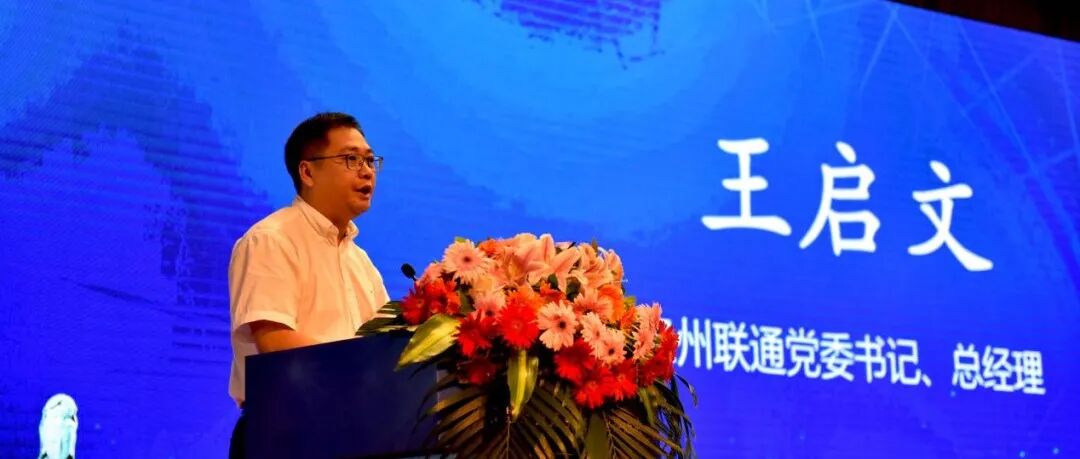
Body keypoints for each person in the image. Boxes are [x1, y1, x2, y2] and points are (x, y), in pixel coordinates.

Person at [226, 112, 390, 457]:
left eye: (370, 160)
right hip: (286, 432)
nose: (367, 171)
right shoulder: (271, 240)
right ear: (308, 172)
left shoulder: (362, 263)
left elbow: (386, 351)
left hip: (355, 432)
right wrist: (364, 371)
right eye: (351, 159)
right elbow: (276, 342)